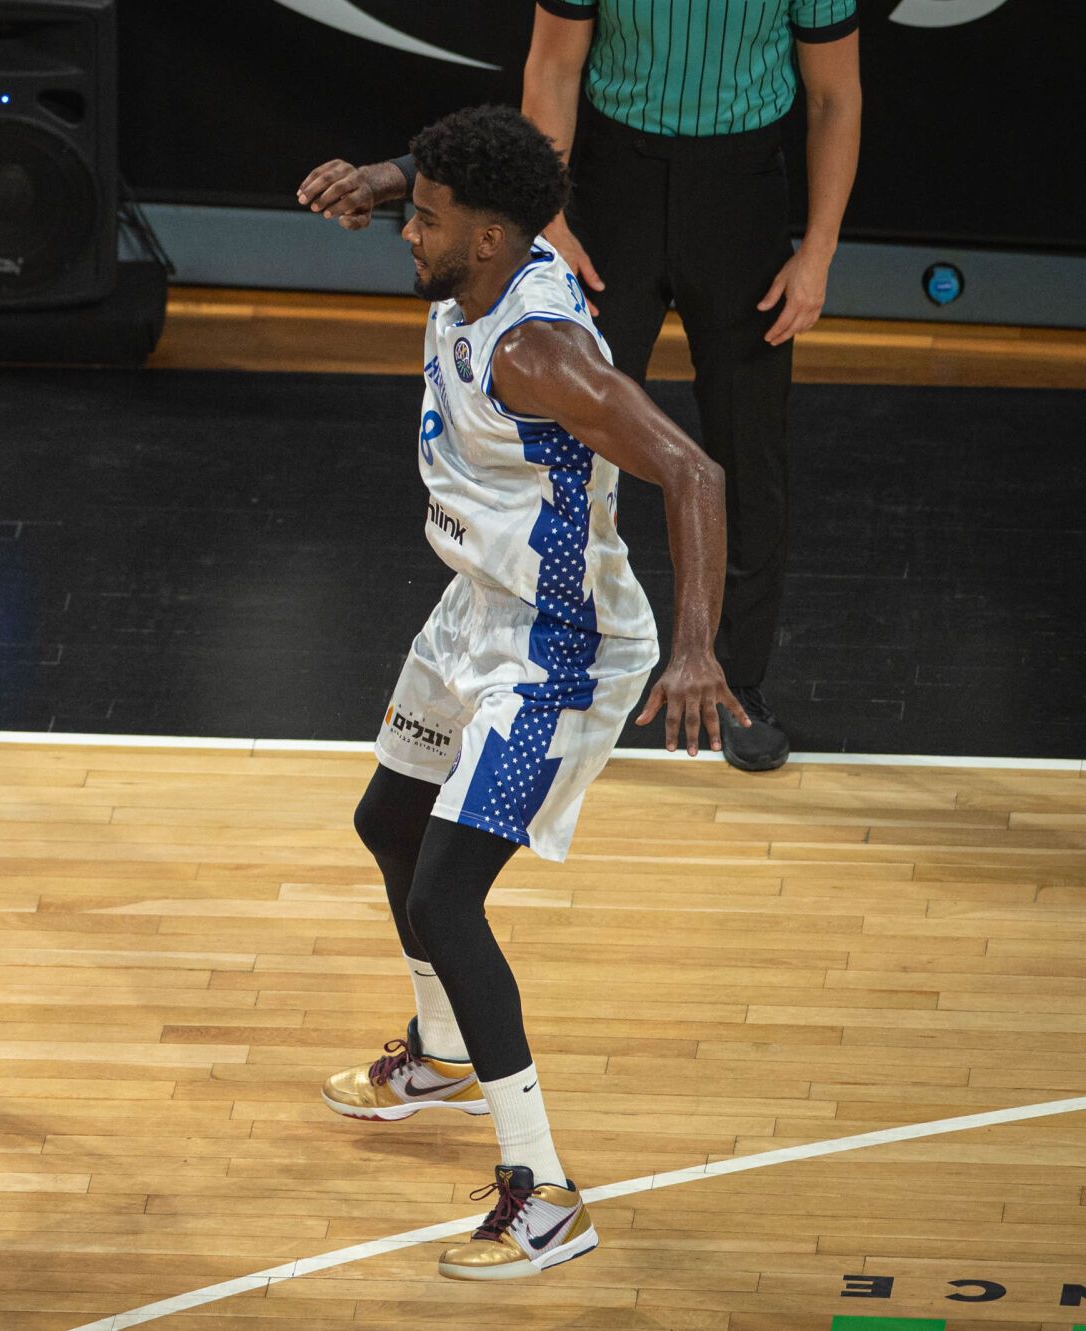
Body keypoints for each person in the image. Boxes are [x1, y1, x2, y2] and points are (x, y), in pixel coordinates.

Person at [312, 106, 744, 1279]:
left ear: (493, 241)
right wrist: (385, 167)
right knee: (384, 822)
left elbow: (694, 469)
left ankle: (543, 1188)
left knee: (450, 899)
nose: (408, 229)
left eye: (426, 218)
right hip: (473, 606)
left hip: (558, 643)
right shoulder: (480, 256)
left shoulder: (538, 353)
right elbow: (456, 168)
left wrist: (697, 649)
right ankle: (443, 1052)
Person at [298, 0, 863, 773]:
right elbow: (555, 66)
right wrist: (552, 214)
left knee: (748, 452)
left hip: (741, 197)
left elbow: (835, 96)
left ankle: (733, 683)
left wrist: (820, 249)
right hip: (609, 185)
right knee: (569, 441)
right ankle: (553, 669)